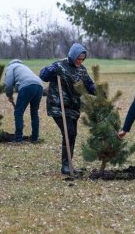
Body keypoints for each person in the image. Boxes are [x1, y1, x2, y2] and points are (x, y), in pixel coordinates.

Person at [39, 43, 96, 175]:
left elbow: (89, 85)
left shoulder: (82, 70)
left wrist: (97, 91)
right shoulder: (59, 65)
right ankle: (65, 166)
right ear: (72, 56)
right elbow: (43, 75)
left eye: (82, 59)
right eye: (78, 58)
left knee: (72, 134)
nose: (80, 61)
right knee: (69, 132)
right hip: (58, 106)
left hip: (74, 106)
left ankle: (69, 164)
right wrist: (50, 71)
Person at [4, 59, 43, 143]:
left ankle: (18, 139)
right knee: (34, 113)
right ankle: (35, 138)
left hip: (27, 86)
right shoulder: (24, 67)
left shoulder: (11, 67)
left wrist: (9, 95)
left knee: (18, 113)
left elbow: (8, 83)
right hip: (39, 86)